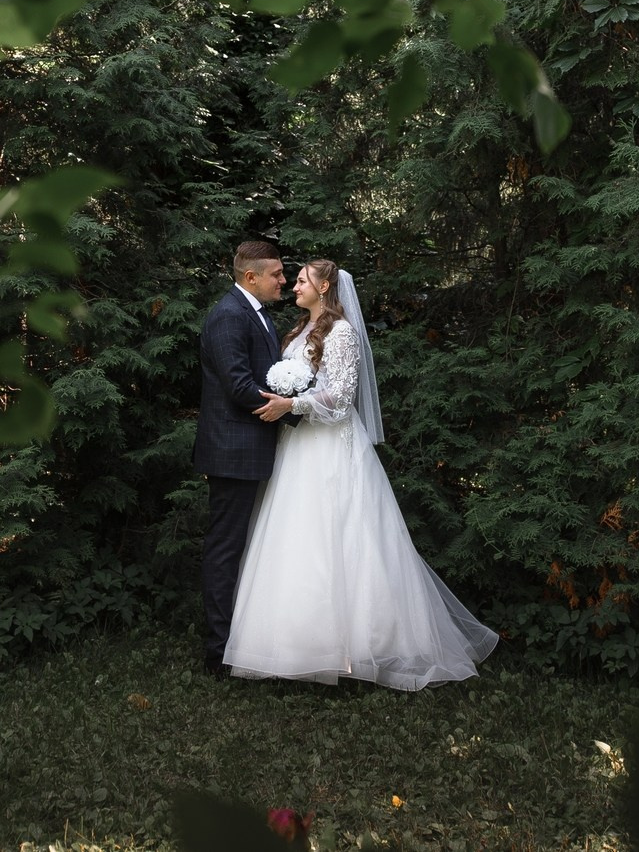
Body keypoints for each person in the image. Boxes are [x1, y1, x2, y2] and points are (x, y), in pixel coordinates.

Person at [222, 258, 498, 689]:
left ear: (325, 285)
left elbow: (341, 398)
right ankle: (295, 648)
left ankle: (356, 650)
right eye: (291, 280)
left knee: (345, 539)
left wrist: (292, 404)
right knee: (297, 540)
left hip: (331, 447)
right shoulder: (295, 332)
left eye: (301, 280)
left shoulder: (343, 332)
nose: (293, 286)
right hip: (297, 447)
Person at [193, 239, 293, 677]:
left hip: (252, 450)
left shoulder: (256, 314)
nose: (284, 281)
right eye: (277, 274)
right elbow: (238, 386)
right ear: (250, 277)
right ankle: (219, 652)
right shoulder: (228, 316)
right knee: (226, 548)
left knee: (248, 546)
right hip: (233, 453)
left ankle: (246, 640)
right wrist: (297, 414)